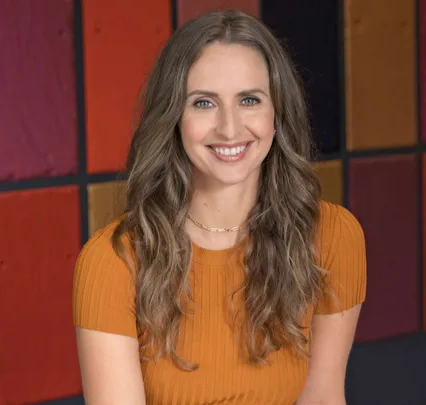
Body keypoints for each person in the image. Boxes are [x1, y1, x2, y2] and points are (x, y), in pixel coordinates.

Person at [72, 9, 367, 405]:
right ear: (174, 116)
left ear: (277, 112)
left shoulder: (332, 236)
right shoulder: (112, 263)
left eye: (249, 99)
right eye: (203, 103)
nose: (229, 128)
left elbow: (323, 398)